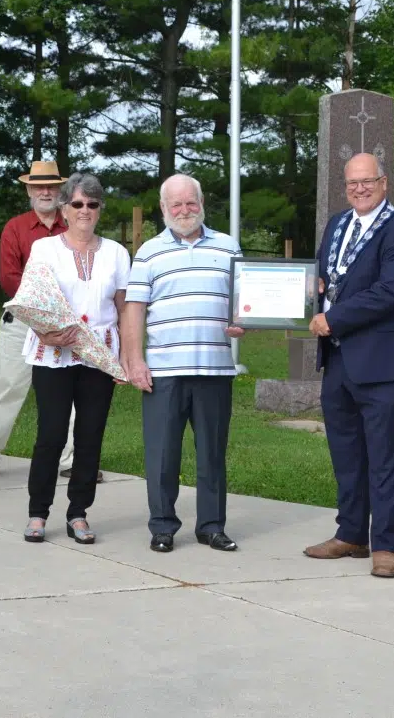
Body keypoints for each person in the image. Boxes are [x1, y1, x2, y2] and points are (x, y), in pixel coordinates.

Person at [303, 153, 394, 579]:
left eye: (367, 182)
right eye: (352, 183)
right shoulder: (337, 224)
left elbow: (390, 292)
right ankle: (351, 533)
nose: (359, 189)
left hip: (384, 364)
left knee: (387, 457)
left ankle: (386, 545)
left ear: (384, 182)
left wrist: (333, 317)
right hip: (338, 359)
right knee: (347, 453)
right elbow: (326, 276)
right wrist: (311, 287)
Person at [121, 174, 244, 554]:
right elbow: (133, 310)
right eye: (176, 204)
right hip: (163, 371)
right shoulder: (148, 253)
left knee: (212, 453)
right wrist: (135, 361)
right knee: (162, 454)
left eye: (191, 202)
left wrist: (245, 321)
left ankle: (211, 527)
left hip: (214, 368)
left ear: (202, 202)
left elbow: (245, 301)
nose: (185, 210)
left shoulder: (228, 247)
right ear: (164, 209)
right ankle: (162, 527)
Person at [0, 160, 100, 484]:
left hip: (67, 323)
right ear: (28, 189)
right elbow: (9, 277)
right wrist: (42, 314)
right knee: (8, 385)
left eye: (51, 186)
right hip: (23, 321)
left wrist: (62, 317)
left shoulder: (75, 227)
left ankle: (73, 460)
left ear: (61, 191)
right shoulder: (15, 228)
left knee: (70, 392)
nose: (45, 191)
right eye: (38, 186)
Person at [22, 173, 131, 543]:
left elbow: (124, 308)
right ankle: (38, 513)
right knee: (50, 434)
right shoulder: (44, 249)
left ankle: (78, 513)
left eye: (93, 204)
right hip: (53, 351)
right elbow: (31, 300)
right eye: (78, 204)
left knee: (90, 436)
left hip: (98, 353)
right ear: (65, 208)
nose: (85, 210)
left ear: (101, 209)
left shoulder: (116, 252)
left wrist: (129, 358)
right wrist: (45, 332)